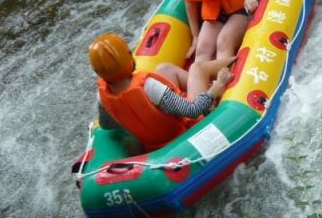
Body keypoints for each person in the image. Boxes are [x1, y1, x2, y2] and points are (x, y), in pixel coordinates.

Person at [88, 32, 234, 151]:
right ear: (128, 57)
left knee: (164, 69)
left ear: (98, 72)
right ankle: (237, 61)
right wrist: (214, 89)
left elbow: (107, 125)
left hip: (154, 146)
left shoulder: (102, 96)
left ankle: (202, 84)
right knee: (197, 69)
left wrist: (132, 113)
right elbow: (192, 110)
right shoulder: (149, 87)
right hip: (186, 133)